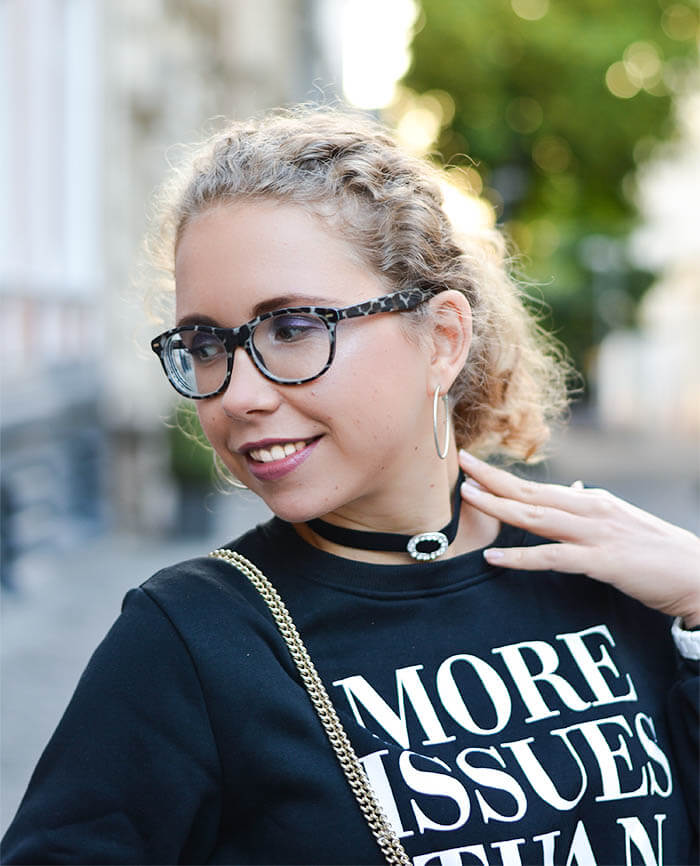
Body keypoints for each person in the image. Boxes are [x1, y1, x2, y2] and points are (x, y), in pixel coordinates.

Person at [2, 106, 698, 866]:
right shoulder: (192, 638)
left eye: (293, 328)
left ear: (442, 341)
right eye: (206, 345)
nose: (237, 395)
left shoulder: (602, 572)